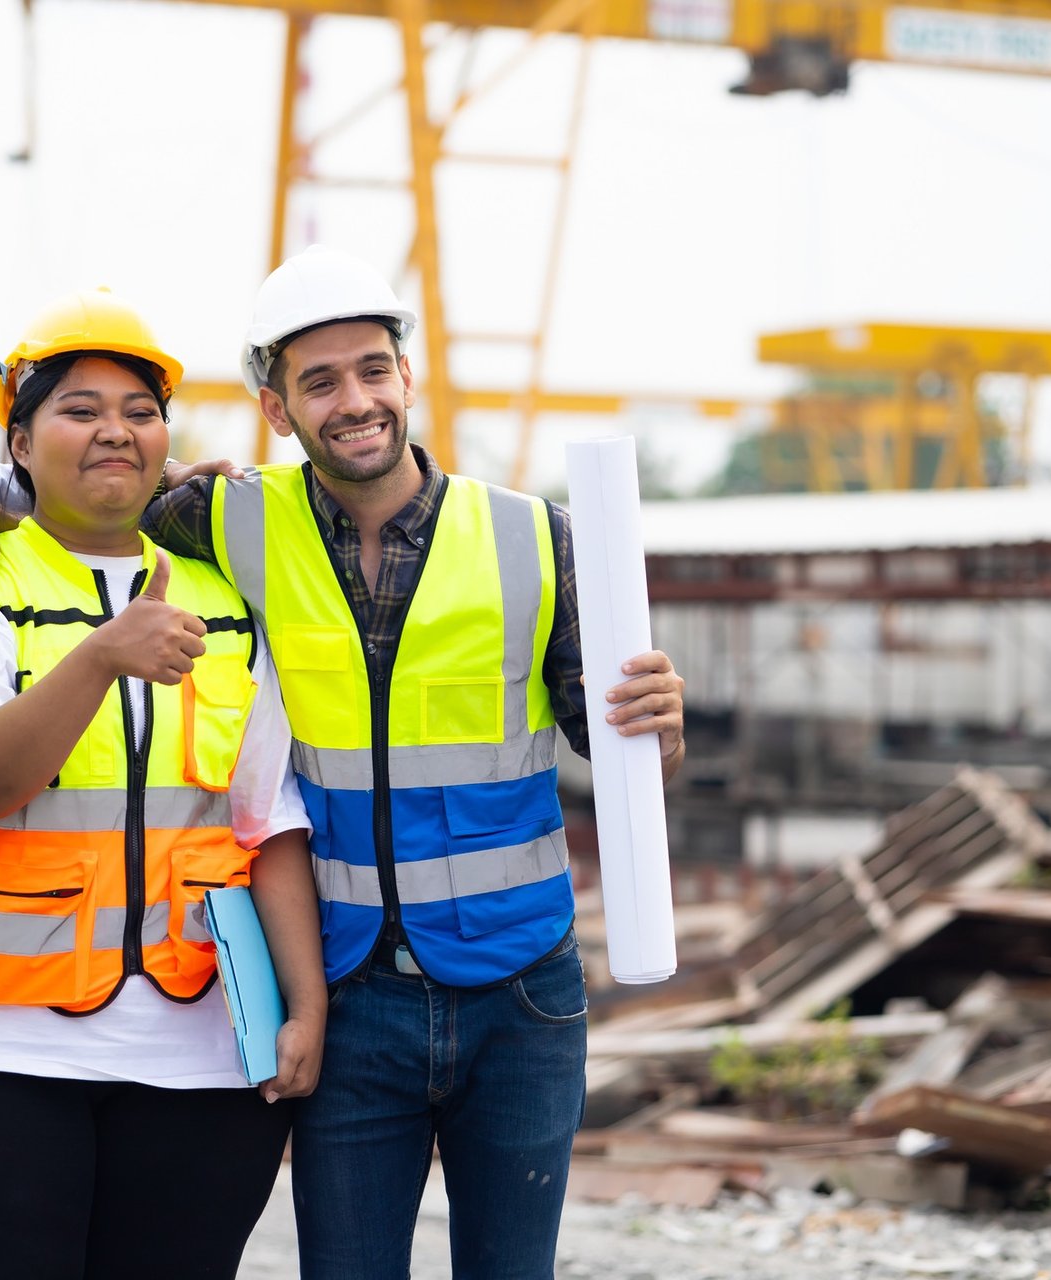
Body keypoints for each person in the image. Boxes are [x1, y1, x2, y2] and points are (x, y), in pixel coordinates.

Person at [140, 245, 688, 1279]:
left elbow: (621, 756)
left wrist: (661, 724)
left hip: (522, 992)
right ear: (276, 406)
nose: (356, 400)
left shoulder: (539, 538)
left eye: (373, 369)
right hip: (350, 998)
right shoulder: (229, 517)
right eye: (321, 381)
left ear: (406, 376)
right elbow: (89, 481)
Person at [0, 289, 327, 1280]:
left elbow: (270, 825)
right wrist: (99, 658)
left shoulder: (226, 602)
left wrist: (307, 1004)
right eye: (80, 409)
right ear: (21, 438)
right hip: (4, 1054)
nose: (114, 431)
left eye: (138, 409)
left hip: (203, 1053)